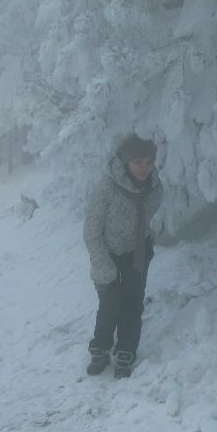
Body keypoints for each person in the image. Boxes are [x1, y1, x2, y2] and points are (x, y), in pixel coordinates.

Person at [82, 134, 163, 378]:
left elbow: (148, 218)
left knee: (133, 301)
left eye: (149, 162)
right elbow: (91, 232)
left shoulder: (154, 188)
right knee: (110, 303)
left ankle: (126, 348)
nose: (144, 168)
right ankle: (101, 346)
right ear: (125, 162)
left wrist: (143, 245)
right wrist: (103, 265)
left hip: (137, 252)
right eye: (137, 162)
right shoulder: (105, 189)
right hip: (106, 253)